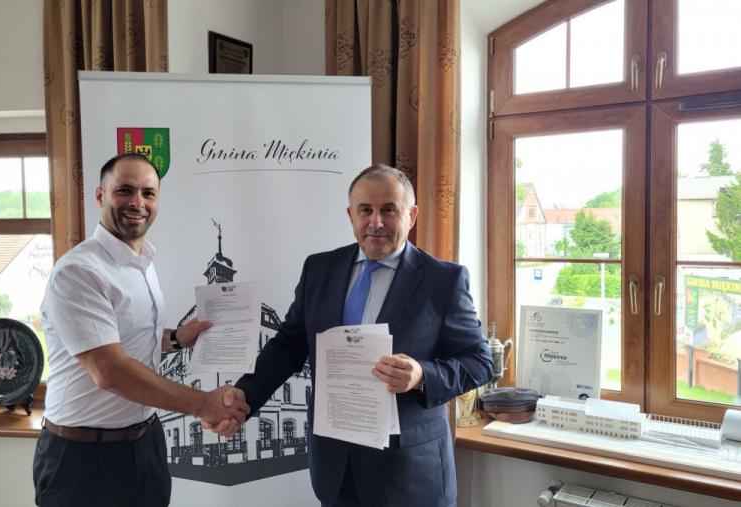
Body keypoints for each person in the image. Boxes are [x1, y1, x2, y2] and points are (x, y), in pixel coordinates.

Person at [212, 164, 492, 507]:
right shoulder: (319, 269)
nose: (376, 222)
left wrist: (422, 375)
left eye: (388, 210)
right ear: (351, 215)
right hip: (336, 470)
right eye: (365, 210)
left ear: (412, 215)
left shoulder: (443, 280)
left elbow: (480, 362)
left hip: (410, 475)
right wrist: (244, 396)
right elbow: (288, 346)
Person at [33, 153, 250, 507]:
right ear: (100, 195)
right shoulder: (79, 271)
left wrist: (177, 338)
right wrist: (204, 404)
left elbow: (127, 337)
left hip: (144, 443)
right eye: (125, 190)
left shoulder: (143, 262)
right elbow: (110, 369)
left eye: (148, 193)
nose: (138, 202)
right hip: (82, 458)